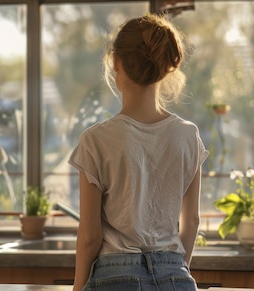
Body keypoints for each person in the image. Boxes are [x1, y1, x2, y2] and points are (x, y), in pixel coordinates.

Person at [68, 13, 209, 291]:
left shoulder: (96, 139)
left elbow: (90, 236)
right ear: (166, 68)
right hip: (175, 274)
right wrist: (175, 270)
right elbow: (191, 221)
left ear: (116, 62)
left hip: (114, 275)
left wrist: (77, 288)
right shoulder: (187, 135)